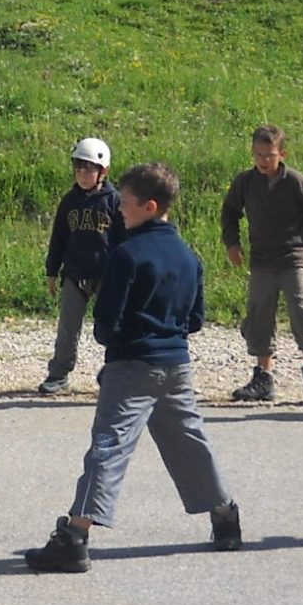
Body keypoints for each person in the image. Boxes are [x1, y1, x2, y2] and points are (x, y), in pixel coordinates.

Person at [25, 162, 242, 572]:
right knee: (191, 442)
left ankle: (74, 537)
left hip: (131, 366)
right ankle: (226, 518)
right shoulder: (189, 257)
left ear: (149, 206)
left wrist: (116, 339)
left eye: (125, 203)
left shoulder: (125, 255)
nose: (119, 210)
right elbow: (196, 319)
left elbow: (107, 322)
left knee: (109, 446)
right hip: (177, 365)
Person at [222, 124, 303, 404]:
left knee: (301, 308)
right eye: (258, 155)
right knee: (259, 314)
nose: (263, 161)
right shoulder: (245, 182)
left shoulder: (295, 181)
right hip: (262, 259)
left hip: (293, 256)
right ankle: (264, 378)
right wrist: (232, 244)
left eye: (269, 155)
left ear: (282, 154)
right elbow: (230, 212)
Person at [39, 138, 120, 394]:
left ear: (103, 171)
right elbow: (59, 238)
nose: (82, 174)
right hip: (75, 274)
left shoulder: (115, 202)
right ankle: (59, 373)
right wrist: (52, 271)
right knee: (68, 327)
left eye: (88, 169)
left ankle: (116, 371)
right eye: (78, 168)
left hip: (107, 275)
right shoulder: (69, 201)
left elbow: (124, 240)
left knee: (112, 326)